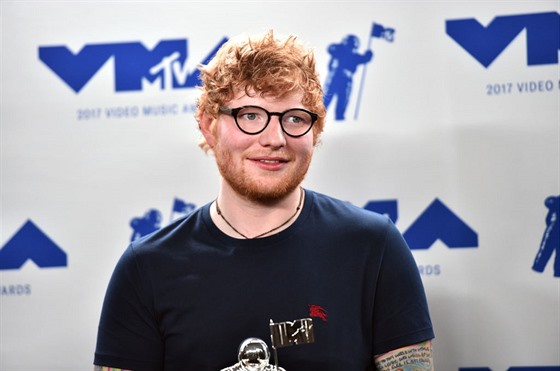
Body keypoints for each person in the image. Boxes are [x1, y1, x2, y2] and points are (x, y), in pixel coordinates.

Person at [94, 30, 434, 371]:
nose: (275, 139)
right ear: (208, 125)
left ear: (315, 132)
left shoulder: (373, 247)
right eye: (251, 115)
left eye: (295, 119)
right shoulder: (147, 268)